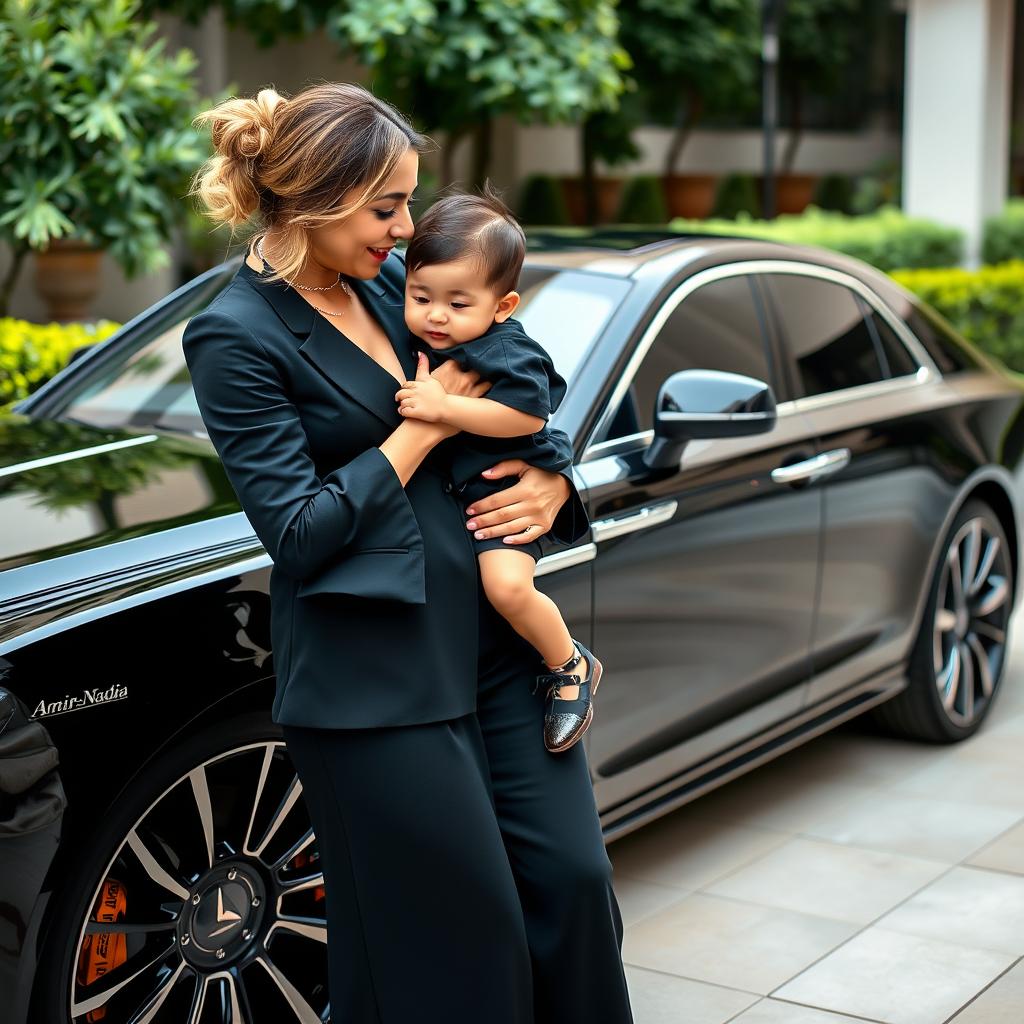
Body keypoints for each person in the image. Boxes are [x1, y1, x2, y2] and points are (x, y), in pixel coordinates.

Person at [183, 82, 633, 1024]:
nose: (406, 228)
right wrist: (415, 439)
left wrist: (554, 486)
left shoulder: (397, 283)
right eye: (387, 207)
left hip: (501, 655)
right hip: (376, 683)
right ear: (317, 196)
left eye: (408, 205)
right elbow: (299, 533)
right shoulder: (235, 333)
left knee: (576, 892)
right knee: (461, 951)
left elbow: (523, 381)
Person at [396, 187, 603, 754]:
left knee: (508, 588)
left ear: (502, 306)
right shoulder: (418, 333)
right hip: (458, 502)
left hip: (506, 488)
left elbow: (527, 415)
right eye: (420, 296)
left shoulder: (507, 351)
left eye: (458, 304)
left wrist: (444, 409)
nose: (435, 315)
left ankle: (570, 666)